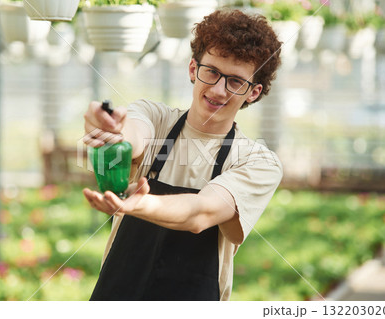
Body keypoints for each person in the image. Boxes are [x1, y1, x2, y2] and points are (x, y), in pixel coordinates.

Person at [82, 8, 283, 301]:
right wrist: (113, 132)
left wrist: (138, 205)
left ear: (253, 92)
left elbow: (201, 213)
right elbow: (133, 134)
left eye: (236, 81)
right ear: (193, 69)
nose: (218, 90)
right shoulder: (156, 117)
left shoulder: (257, 162)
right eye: (212, 71)